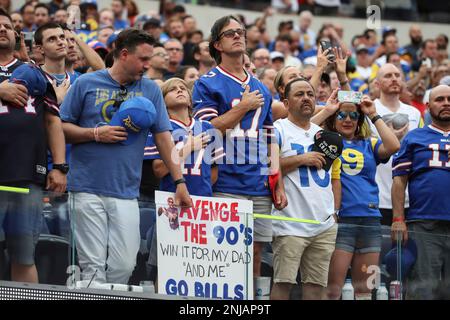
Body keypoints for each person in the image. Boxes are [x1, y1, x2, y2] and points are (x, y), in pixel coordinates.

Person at [59, 29, 191, 285]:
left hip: (126, 189)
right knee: (93, 268)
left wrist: (180, 182)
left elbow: (164, 138)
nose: (147, 65)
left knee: (125, 264)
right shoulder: (86, 83)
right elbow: (60, 128)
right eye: (143, 59)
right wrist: (96, 133)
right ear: (123, 54)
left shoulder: (151, 90)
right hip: (86, 186)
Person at [192, 15, 287, 279]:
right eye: (230, 33)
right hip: (225, 181)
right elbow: (206, 129)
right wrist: (243, 107)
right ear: (217, 44)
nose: (237, 35)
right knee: (226, 253)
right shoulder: (206, 82)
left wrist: (276, 182)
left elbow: (270, 137)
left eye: (240, 31)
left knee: (255, 254)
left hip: (259, 182)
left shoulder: (260, 88)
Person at [0, 9, 66, 283]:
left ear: (16, 34)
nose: (2, 29)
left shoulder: (33, 72)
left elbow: (53, 122)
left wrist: (60, 166)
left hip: (27, 175)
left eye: (6, 25)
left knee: (24, 255)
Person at [320, 92, 400, 299]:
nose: (348, 120)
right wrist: (328, 109)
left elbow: (394, 145)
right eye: (342, 115)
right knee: (332, 290)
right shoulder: (324, 141)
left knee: (365, 290)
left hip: (370, 220)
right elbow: (303, 130)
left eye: (354, 116)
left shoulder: (369, 144)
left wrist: (373, 114)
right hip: (340, 220)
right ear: (332, 118)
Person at [270, 78, 340, 300]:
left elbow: (334, 178)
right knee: (283, 284)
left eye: (310, 94)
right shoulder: (277, 130)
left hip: (323, 224)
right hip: (290, 221)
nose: (307, 98)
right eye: (299, 94)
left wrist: (334, 213)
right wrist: (301, 159)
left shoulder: (324, 134)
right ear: (286, 102)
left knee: (316, 288)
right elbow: (267, 168)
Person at [391, 85, 450, 300]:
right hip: (424, 224)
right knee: (424, 290)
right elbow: (399, 180)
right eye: (440, 99)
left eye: (449, 99)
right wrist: (398, 218)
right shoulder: (414, 137)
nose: (446, 103)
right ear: (428, 106)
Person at [371, 64, 423, 226]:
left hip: (410, 198)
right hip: (378, 196)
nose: (394, 78)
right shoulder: (369, 110)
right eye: (387, 76)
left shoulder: (414, 113)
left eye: (397, 75)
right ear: (377, 84)